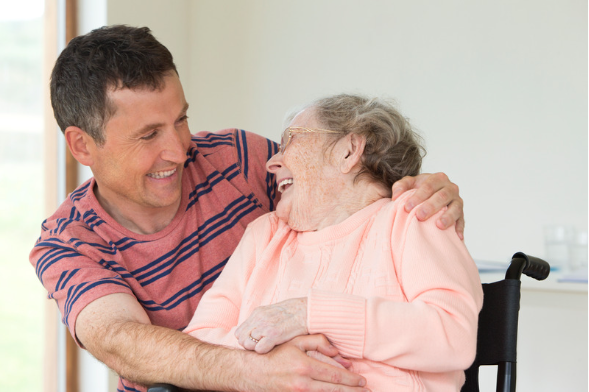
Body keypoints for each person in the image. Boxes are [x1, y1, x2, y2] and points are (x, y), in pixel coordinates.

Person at [30, 25, 466, 392]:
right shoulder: (67, 241)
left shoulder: (239, 159)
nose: (179, 150)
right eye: (148, 136)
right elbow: (121, 342)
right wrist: (262, 369)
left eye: (180, 120)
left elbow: (341, 183)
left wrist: (422, 190)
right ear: (82, 145)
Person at [184, 94, 483, 391]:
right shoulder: (264, 234)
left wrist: (309, 315)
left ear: (348, 151)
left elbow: (453, 334)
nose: (272, 163)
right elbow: (199, 346)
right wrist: (274, 362)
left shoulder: (413, 215)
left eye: (290, 141)